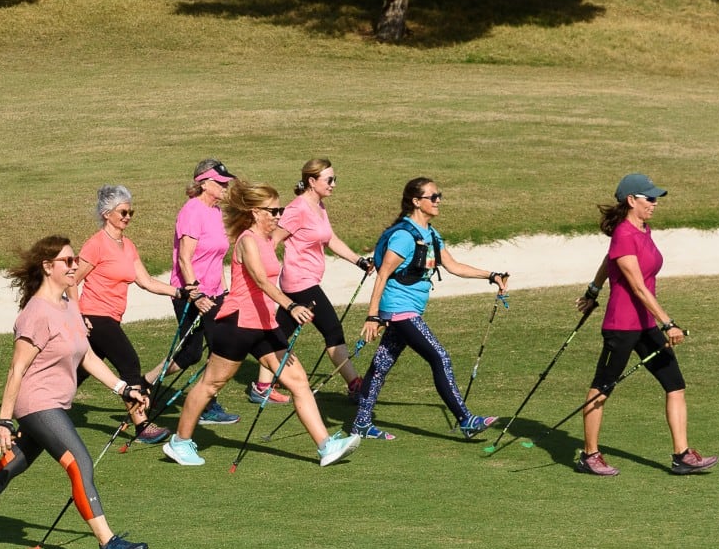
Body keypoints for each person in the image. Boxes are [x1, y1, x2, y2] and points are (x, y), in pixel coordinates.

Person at [0, 236, 150, 549]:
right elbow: (17, 369)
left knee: (15, 463)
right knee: (79, 463)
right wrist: (3, 421)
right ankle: (108, 543)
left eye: (75, 260)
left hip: (53, 404)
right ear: (47, 267)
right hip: (37, 404)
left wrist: (124, 388)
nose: (74, 266)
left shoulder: (69, 306)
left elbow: (88, 357)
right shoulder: (36, 313)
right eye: (67, 261)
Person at [161, 180, 361, 469]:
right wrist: (291, 305)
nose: (279, 215)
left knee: (299, 382)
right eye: (273, 210)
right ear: (255, 212)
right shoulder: (247, 240)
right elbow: (260, 279)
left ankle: (326, 446)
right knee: (211, 383)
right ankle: (180, 442)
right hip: (238, 325)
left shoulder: (268, 241)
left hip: (265, 326)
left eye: (279, 209)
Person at [573, 174, 718, 477]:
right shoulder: (624, 234)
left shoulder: (641, 230)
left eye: (655, 198)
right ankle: (590, 455)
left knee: (675, 385)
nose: (655, 203)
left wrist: (593, 289)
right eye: (649, 198)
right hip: (622, 327)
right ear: (631, 201)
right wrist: (668, 323)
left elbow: (609, 259)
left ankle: (682, 456)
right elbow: (637, 287)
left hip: (644, 323)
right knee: (601, 388)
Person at [353, 178, 508, 441]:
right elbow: (382, 276)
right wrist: (373, 316)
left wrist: (490, 275)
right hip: (400, 309)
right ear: (416, 201)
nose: (438, 201)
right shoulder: (404, 236)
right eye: (432, 196)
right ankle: (466, 420)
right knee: (440, 357)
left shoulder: (430, 233)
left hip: (409, 309)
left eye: (439, 196)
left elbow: (453, 265)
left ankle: (361, 423)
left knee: (381, 365)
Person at [77, 185, 180, 444]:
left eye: (130, 212)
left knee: (75, 373)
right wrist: (76, 315)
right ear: (106, 213)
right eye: (123, 212)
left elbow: (145, 281)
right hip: (94, 315)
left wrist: (180, 293)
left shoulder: (128, 245)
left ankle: (38, 411)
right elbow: (71, 279)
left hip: (110, 317)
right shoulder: (95, 244)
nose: (127, 217)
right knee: (130, 365)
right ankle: (142, 425)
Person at [266, 158, 373, 406]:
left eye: (335, 179)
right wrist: (266, 278)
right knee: (332, 329)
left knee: (281, 332)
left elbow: (330, 239)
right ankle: (355, 383)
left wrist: (359, 261)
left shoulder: (319, 206)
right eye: (329, 179)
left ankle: (262, 385)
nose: (334, 184)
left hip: (306, 279)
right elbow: (272, 241)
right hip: (299, 281)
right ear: (312, 181)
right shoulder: (297, 209)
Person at [143, 160, 240, 428]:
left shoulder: (215, 211)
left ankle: (154, 384)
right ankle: (201, 402)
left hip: (215, 292)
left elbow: (218, 257)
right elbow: (185, 259)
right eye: (220, 182)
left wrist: (225, 290)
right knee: (201, 352)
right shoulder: (191, 212)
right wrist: (195, 293)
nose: (225, 186)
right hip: (193, 293)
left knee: (205, 350)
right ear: (204, 183)